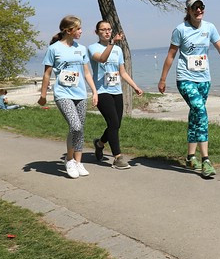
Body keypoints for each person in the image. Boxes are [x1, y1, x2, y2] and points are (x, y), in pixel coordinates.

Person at [157, 0, 220, 179]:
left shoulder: (210, 27)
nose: (199, 10)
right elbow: (171, 55)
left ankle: (190, 157)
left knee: (195, 115)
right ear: (188, 11)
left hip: (204, 79)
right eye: (195, 7)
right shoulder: (180, 30)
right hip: (185, 78)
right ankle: (206, 161)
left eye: (201, 7)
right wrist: (163, 79)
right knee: (201, 111)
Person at [38, 16, 98, 179]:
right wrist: (43, 95)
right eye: (78, 28)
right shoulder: (54, 49)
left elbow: (86, 72)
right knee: (75, 126)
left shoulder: (82, 49)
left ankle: (79, 162)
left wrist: (94, 91)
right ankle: (69, 160)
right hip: (63, 93)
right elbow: (47, 74)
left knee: (80, 129)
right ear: (68, 30)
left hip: (80, 93)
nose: (81, 31)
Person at [88, 20, 145, 169]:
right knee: (113, 123)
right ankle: (118, 158)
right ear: (97, 32)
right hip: (101, 91)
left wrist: (135, 86)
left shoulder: (118, 50)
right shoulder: (92, 48)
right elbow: (102, 59)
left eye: (109, 29)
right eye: (103, 30)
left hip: (116, 90)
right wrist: (112, 43)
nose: (107, 32)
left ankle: (100, 144)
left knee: (116, 124)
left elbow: (122, 72)